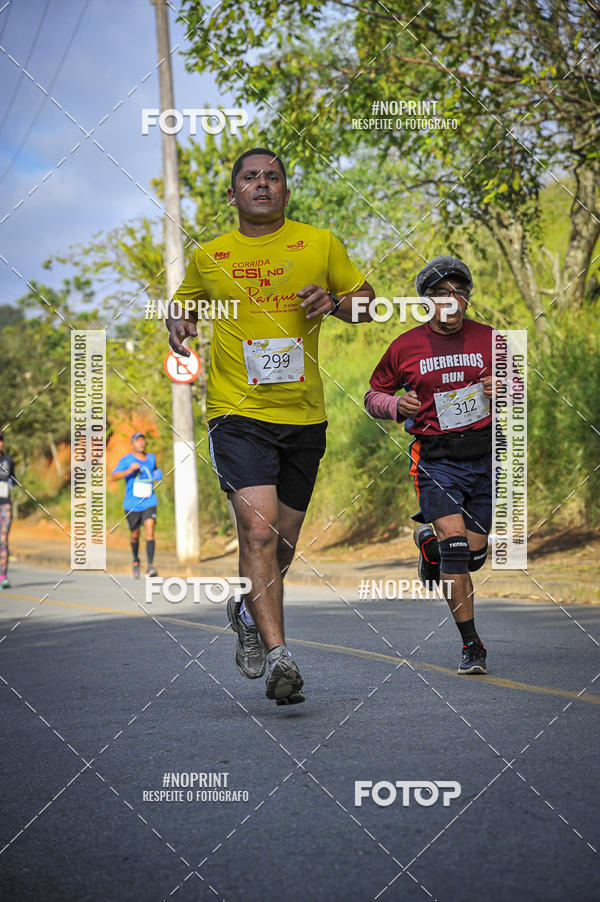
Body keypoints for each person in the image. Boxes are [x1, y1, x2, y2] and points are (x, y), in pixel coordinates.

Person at [166, 147, 374, 705]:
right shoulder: (209, 257)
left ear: (286, 191)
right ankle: (282, 655)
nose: (263, 184)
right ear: (232, 195)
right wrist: (178, 321)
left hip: (303, 416)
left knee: (280, 544)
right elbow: (182, 307)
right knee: (257, 532)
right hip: (237, 413)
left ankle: (245, 610)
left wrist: (333, 303)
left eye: (273, 177)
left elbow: (367, 306)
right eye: (250, 178)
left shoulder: (320, 243)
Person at [365, 255, 497, 675]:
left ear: (468, 298)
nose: (452, 301)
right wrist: (392, 404)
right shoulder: (405, 346)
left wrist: (506, 385)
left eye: (459, 292)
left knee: (474, 555)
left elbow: (520, 392)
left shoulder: (491, 338)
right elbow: (373, 395)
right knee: (456, 551)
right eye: (442, 294)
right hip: (436, 458)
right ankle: (471, 644)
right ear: (427, 301)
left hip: (485, 455)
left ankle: (429, 548)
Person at [112, 433, 162, 579]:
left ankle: (150, 566)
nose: (141, 443)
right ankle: (135, 560)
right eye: (137, 441)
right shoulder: (126, 460)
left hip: (149, 501)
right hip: (132, 504)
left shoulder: (151, 458)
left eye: (143, 440)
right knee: (135, 535)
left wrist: (158, 473)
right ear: (132, 444)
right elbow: (113, 476)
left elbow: (155, 470)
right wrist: (128, 471)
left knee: (150, 530)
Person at [0, 433, 16, 589]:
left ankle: (3, 576)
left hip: (5, 506)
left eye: (0, 440)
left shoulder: (8, 460)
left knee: (3, 541)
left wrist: (11, 483)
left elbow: (14, 479)